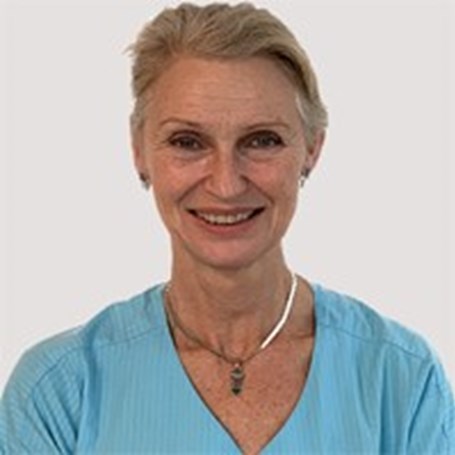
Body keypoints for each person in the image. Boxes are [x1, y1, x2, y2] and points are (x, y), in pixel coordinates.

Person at [1, 2, 453, 454]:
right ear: (139, 150)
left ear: (312, 149)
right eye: (187, 142)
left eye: (262, 140)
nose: (226, 183)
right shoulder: (59, 393)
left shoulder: (401, 381)